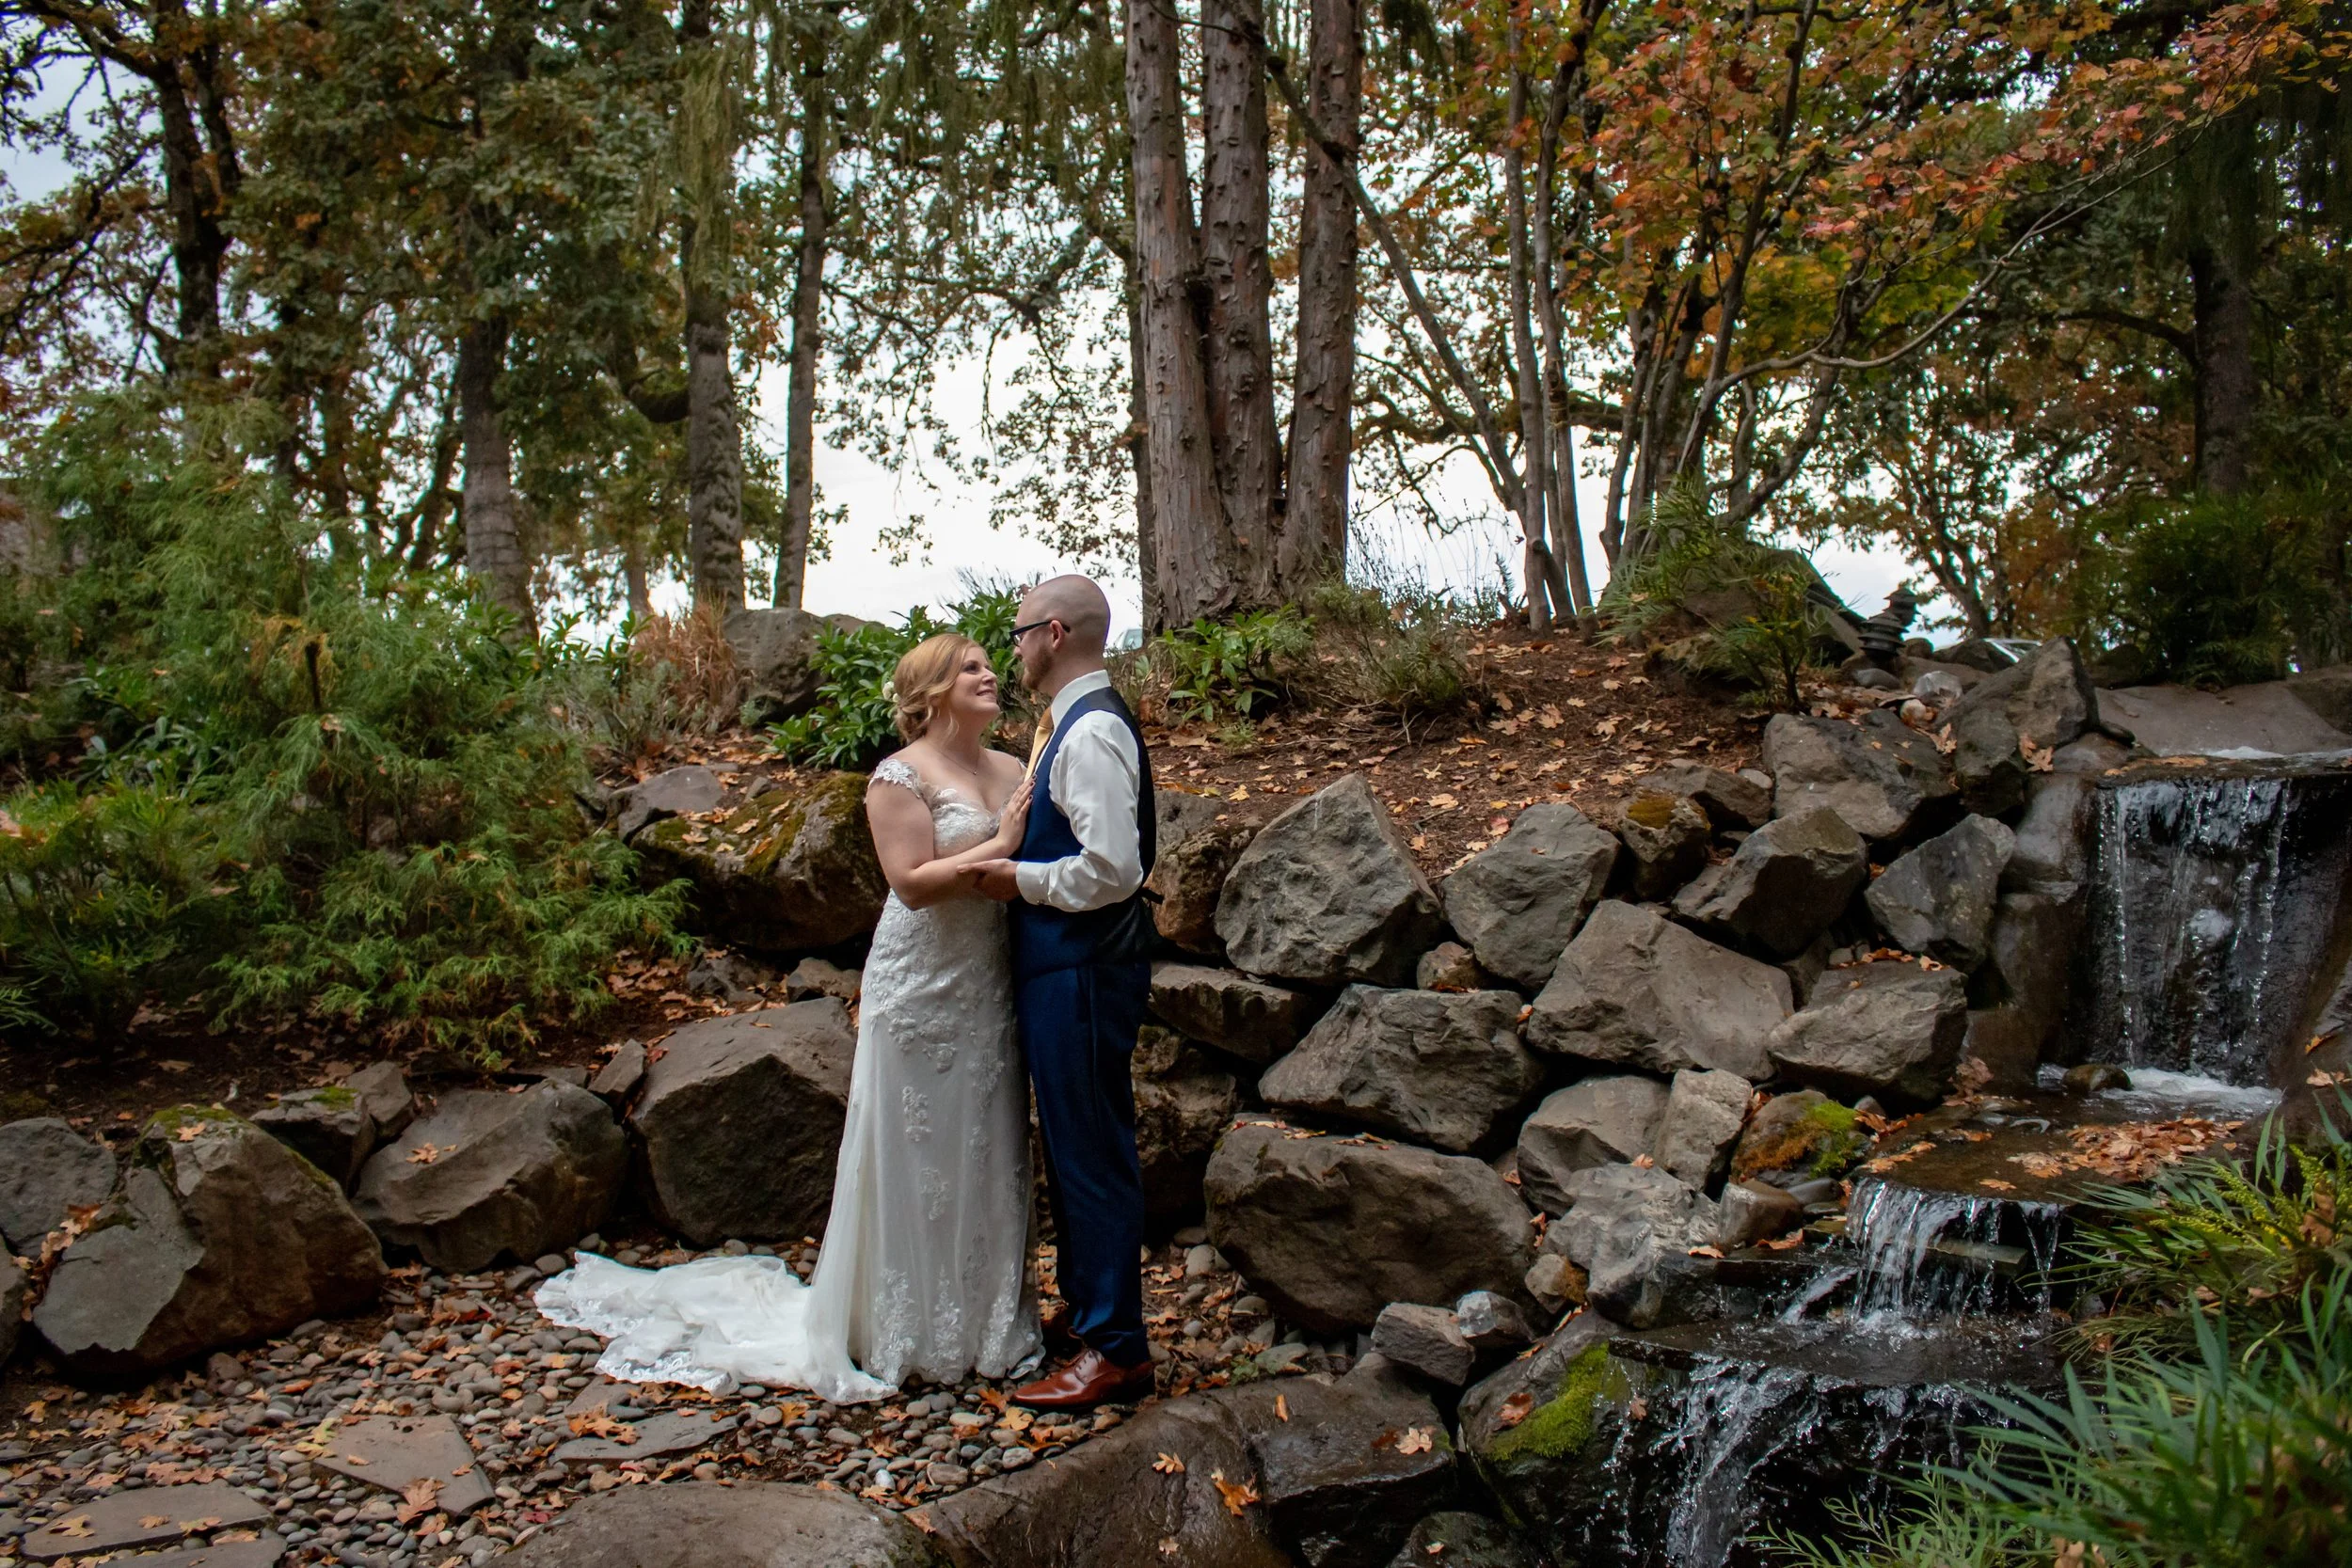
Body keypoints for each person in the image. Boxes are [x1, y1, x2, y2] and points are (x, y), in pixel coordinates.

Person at [535, 633, 1042, 1402]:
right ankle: (901, 1329)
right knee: (913, 1149)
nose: (989, 674)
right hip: (918, 985)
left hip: (987, 982)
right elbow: (908, 882)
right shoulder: (897, 775)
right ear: (933, 689)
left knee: (986, 1141)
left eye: (988, 663)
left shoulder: (1011, 768)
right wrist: (1002, 842)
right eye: (970, 666)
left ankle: (986, 1324)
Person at [965, 574, 1159, 1410]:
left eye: (1016, 633)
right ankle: (1087, 1313)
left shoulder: (1089, 734)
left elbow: (1114, 867)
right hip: (1065, 965)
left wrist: (1019, 880)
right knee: (1073, 1146)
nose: (1011, 648)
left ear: (1052, 632)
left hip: (1082, 966)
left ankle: (1117, 1348)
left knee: (1092, 1151)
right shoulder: (1070, 726)